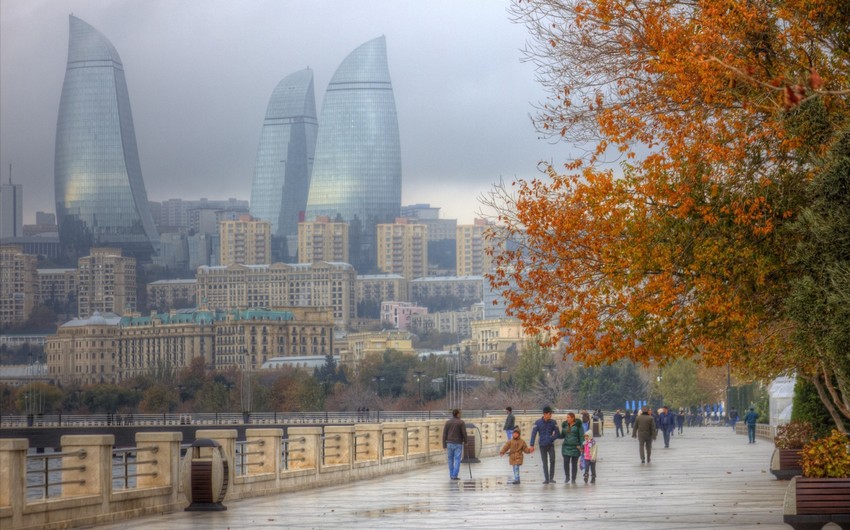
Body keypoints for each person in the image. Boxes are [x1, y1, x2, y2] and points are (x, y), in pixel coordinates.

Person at [529, 405, 560, 484]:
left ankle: (551, 478)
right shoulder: (537, 423)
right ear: (545, 414)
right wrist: (531, 445)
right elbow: (533, 434)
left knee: (552, 460)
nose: (551, 415)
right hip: (542, 444)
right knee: (544, 462)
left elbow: (558, 434)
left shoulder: (553, 422)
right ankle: (546, 479)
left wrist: (551, 438)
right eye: (550, 414)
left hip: (550, 444)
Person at [442, 408, 468, 480]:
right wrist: (466, 441)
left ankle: (451, 474)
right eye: (460, 413)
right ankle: (454, 475)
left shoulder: (448, 422)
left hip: (449, 443)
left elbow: (444, 434)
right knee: (457, 459)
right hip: (458, 443)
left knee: (450, 459)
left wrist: (444, 444)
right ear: (457, 414)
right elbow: (464, 433)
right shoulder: (461, 422)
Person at [560, 411, 584, 483]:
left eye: (568, 417)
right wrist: (555, 434)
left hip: (575, 447)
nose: (567, 419)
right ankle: (567, 477)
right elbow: (562, 436)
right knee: (566, 462)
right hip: (566, 447)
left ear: (573, 418)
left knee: (574, 464)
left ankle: (573, 478)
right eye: (567, 417)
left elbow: (581, 436)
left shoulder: (578, 426)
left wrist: (581, 446)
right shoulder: (565, 426)